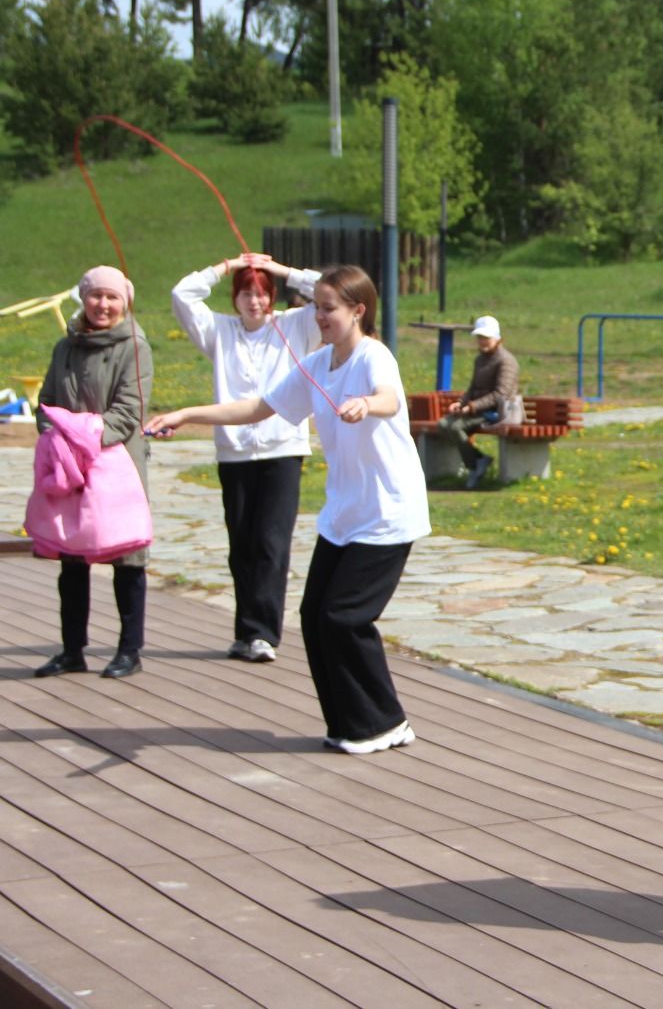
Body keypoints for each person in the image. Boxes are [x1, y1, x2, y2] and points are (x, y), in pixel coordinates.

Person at [146, 266, 430, 754]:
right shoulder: (318, 365)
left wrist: (366, 404)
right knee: (313, 615)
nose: (318, 316)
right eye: (315, 307)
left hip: (387, 512)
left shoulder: (373, 356)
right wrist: (187, 414)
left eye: (328, 308)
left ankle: (383, 722)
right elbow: (257, 408)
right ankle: (354, 722)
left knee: (343, 617)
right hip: (344, 516)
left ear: (358, 310)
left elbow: (386, 396)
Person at [171, 253, 322, 664]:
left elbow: (333, 290)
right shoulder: (219, 331)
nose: (254, 302)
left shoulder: (295, 325)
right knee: (241, 544)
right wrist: (223, 267)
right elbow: (182, 295)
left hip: (282, 450)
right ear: (235, 298)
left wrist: (283, 271)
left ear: (272, 296)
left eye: (261, 294)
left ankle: (264, 633)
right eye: (245, 293)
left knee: (271, 542)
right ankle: (244, 630)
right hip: (235, 452)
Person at [34, 265, 153, 680]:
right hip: (71, 464)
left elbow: (129, 412)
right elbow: (47, 399)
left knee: (127, 556)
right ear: (83, 298)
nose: (103, 304)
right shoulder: (64, 346)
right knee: (72, 557)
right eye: (96, 296)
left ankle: (129, 650)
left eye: (112, 297)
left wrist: (82, 433)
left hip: (117, 463)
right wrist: (53, 432)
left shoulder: (134, 346)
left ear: (125, 301)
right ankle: (71, 650)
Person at [438, 314, 521, 489]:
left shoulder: (507, 361)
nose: (482, 341)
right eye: (479, 338)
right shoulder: (480, 359)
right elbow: (473, 388)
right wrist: (461, 403)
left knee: (454, 427)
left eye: (486, 337)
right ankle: (478, 461)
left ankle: (473, 466)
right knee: (443, 424)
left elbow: (501, 395)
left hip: (498, 412)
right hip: (478, 410)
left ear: (497, 338)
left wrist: (472, 407)